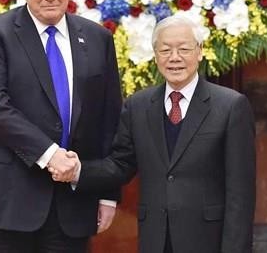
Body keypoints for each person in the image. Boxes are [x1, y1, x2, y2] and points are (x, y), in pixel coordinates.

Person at [0, 0, 122, 252]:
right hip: (5, 200)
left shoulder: (97, 38)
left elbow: (108, 118)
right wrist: (50, 155)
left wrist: (106, 193)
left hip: (72, 204)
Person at [57, 15, 256, 253]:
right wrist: (78, 171)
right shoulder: (138, 105)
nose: (174, 58)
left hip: (208, 240)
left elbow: (240, 194)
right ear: (155, 54)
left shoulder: (230, 106)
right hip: (155, 239)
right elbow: (121, 164)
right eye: (165, 50)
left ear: (200, 51)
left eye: (183, 49)